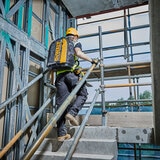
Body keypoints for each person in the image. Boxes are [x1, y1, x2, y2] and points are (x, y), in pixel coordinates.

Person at [55, 27, 97, 141]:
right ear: (76, 36)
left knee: (61, 105)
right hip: (71, 74)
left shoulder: (60, 45)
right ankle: (72, 113)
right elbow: (78, 53)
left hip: (59, 77)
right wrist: (91, 60)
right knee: (83, 94)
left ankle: (61, 134)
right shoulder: (74, 42)